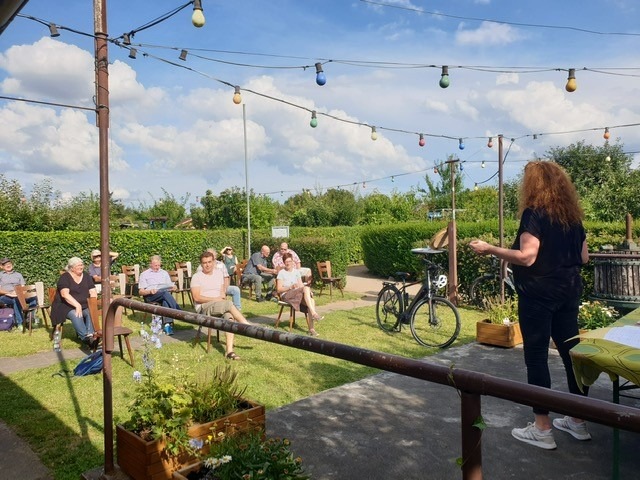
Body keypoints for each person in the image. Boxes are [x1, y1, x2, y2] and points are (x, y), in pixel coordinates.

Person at [469, 160, 590, 450]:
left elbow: (527, 257)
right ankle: (577, 420)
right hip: (569, 292)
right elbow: (584, 258)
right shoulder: (573, 219)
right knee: (570, 355)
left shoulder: (534, 214)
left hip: (539, 295)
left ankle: (542, 428)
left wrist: (489, 249)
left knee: (536, 357)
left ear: (532, 185)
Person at [191, 250, 251, 360]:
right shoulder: (196, 277)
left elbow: (222, 291)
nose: (207, 265)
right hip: (204, 307)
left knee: (229, 317)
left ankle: (229, 352)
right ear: (201, 264)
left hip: (219, 304)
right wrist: (216, 299)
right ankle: (246, 326)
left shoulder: (218, 274)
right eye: (205, 263)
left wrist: (221, 297)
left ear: (214, 262)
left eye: (209, 262)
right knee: (228, 304)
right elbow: (197, 298)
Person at [50, 257, 99, 348]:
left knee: (90, 312)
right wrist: (77, 305)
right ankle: (85, 338)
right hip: (65, 305)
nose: (81, 267)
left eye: (82, 264)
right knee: (75, 314)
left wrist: (93, 302)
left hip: (84, 304)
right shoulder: (65, 277)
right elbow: (64, 294)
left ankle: (91, 335)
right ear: (71, 268)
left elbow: (93, 290)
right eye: (78, 265)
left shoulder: (86, 276)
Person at [276, 252, 323, 336]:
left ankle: (311, 329)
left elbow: (301, 285)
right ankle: (314, 313)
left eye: (290, 261)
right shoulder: (281, 273)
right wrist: (290, 287)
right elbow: (279, 289)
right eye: (286, 261)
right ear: (284, 262)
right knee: (306, 289)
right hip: (286, 295)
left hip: (297, 295)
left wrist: (308, 292)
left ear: (292, 261)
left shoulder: (296, 272)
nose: (288, 263)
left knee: (311, 301)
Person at [138, 255, 181, 335]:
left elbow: (169, 285)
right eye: (155, 265)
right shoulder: (144, 274)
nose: (157, 267)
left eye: (159, 265)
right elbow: (141, 292)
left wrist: (173, 287)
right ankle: (178, 311)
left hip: (163, 294)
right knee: (165, 294)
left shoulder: (164, 273)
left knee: (165, 300)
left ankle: (167, 326)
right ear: (150, 264)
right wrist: (150, 291)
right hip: (150, 296)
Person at [0, 257, 33, 330]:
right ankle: (20, 323)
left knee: (33, 298)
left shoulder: (18, 275)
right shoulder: (0, 275)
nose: (8, 265)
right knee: (16, 300)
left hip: (18, 294)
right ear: (1, 266)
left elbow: (23, 287)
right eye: (5, 264)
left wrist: (21, 293)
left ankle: (29, 318)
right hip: (5, 296)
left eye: (9, 263)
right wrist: (10, 293)